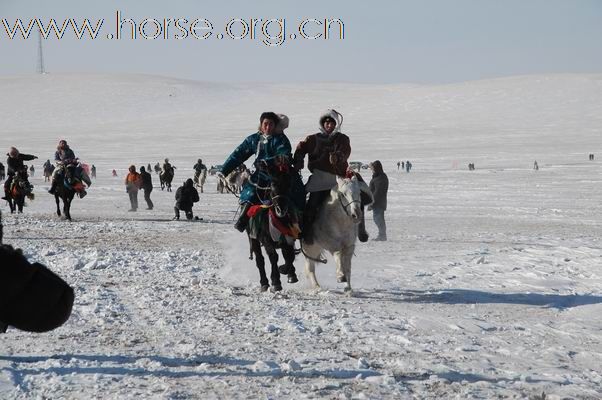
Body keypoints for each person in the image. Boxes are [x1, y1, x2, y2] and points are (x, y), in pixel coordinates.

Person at [293, 109, 369, 244]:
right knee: (311, 206)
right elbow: (301, 148)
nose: (329, 125)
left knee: (355, 199)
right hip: (319, 179)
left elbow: (345, 151)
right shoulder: (313, 139)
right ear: (322, 124)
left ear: (336, 124)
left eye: (331, 123)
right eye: (326, 123)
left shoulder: (342, 139)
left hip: (338, 178)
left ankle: (360, 229)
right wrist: (298, 159)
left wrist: (338, 157)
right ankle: (307, 234)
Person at [220, 112, 304, 232]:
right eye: (265, 124)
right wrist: (224, 170)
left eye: (271, 124)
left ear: (275, 126)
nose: (268, 127)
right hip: (260, 176)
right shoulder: (253, 139)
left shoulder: (280, 139)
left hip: (279, 175)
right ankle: (243, 220)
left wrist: (271, 161)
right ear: (261, 124)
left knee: (295, 193)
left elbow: (283, 153)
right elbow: (238, 154)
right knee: (249, 193)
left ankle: (300, 222)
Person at [368, 160, 389, 241]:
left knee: (378, 219)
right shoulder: (377, 176)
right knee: (377, 218)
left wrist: (372, 203)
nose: (372, 170)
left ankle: (382, 236)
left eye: (373, 168)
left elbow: (378, 192)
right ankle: (382, 235)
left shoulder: (381, 177)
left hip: (378, 202)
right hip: (377, 202)